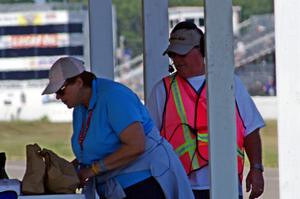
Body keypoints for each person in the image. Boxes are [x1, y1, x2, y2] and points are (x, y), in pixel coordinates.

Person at [41, 56, 195, 199]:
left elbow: (136, 146)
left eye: (61, 90)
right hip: (115, 186)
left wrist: (92, 170)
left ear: (79, 82)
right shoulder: (80, 108)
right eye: (56, 92)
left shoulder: (114, 96)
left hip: (144, 182)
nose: (58, 97)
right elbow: (94, 150)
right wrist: (68, 170)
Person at [147, 21, 265, 199]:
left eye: (182, 53)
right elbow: (149, 141)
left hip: (226, 183)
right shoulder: (162, 90)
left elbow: (251, 129)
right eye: (173, 54)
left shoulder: (228, 83)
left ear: (202, 50)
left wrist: (256, 168)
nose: (177, 60)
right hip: (181, 187)